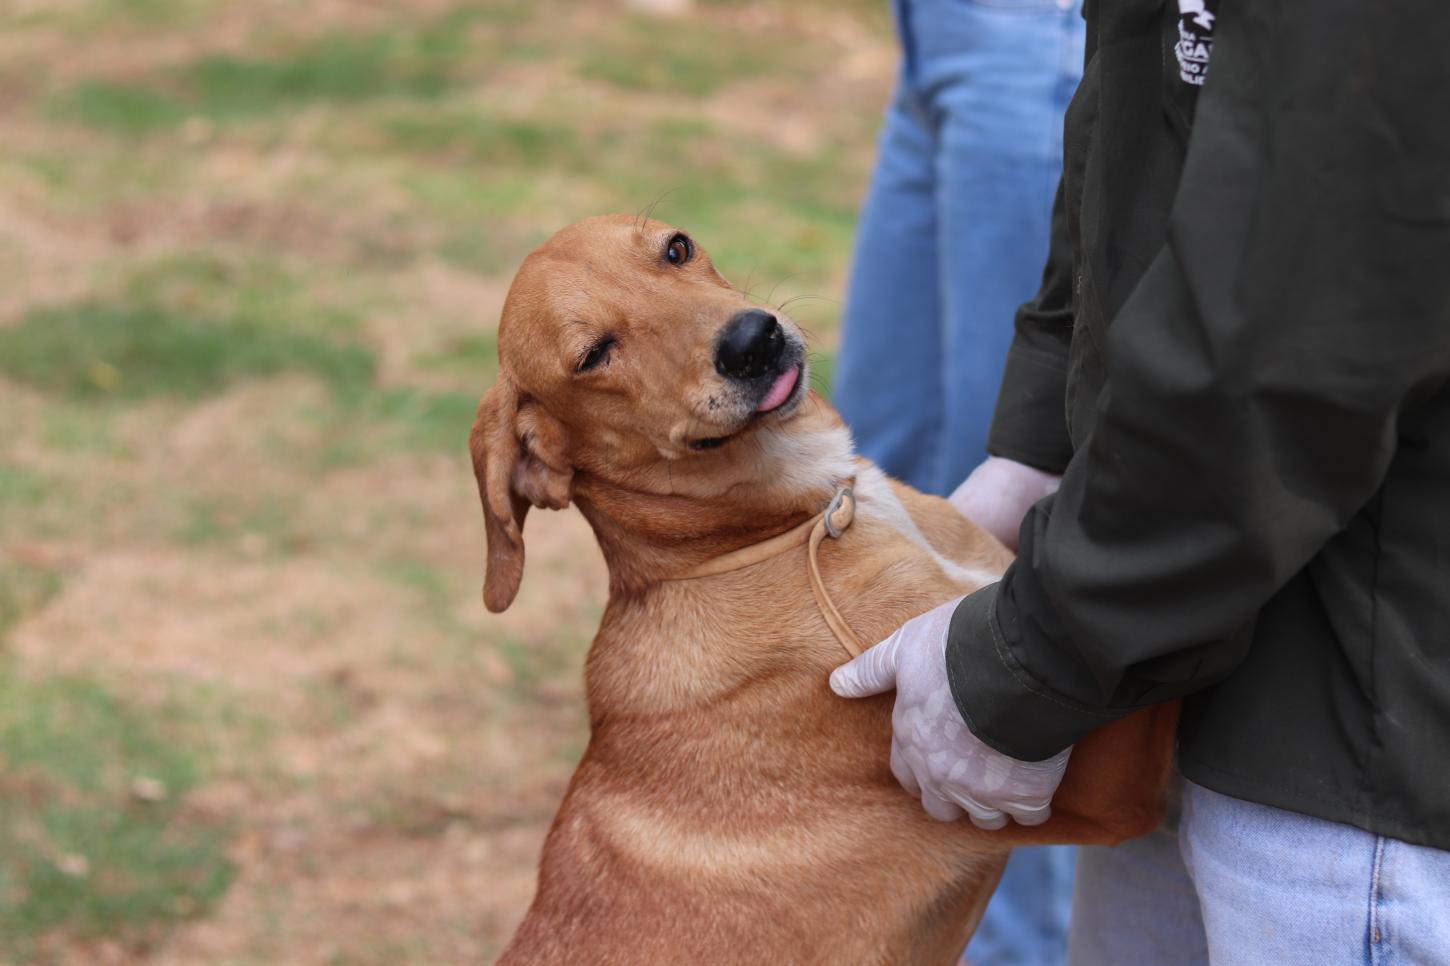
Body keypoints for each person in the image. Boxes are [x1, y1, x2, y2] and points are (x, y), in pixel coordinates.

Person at [831, 0, 1450, 961]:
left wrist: (1037, 658)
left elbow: (1289, 341)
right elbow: (1148, 99)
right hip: (1177, 667)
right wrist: (1042, 441)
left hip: (1360, 746)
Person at [832, 0, 1087, 962]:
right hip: (938, 34)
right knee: (866, 505)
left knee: (995, 542)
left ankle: (1007, 946)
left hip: (1040, 36)